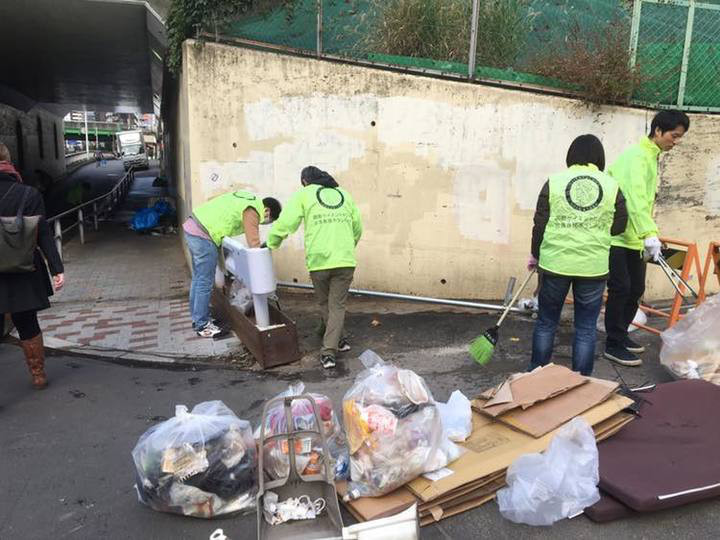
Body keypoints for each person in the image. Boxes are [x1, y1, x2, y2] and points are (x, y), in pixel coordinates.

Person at [528, 135, 627, 376]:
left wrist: (535, 253)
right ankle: (581, 382)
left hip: (555, 264)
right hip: (593, 267)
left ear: (571, 155)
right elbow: (619, 226)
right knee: (585, 327)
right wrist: (594, 228)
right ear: (599, 158)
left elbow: (540, 223)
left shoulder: (555, 181)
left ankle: (536, 376)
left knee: (546, 322)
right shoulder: (611, 185)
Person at [603, 110, 690, 367]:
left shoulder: (651, 156)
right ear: (658, 131)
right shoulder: (637, 157)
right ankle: (613, 344)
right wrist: (649, 233)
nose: (675, 142)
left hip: (634, 238)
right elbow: (635, 199)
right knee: (621, 290)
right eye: (673, 136)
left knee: (636, 289)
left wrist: (647, 233)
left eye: (679, 137)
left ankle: (621, 335)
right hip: (618, 237)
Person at [267, 166, 363, 369]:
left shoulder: (304, 194)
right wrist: (346, 248)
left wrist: (271, 242)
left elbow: (287, 222)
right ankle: (339, 338)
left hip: (319, 262)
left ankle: (329, 352)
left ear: (305, 181)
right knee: (335, 305)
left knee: (327, 305)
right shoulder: (344, 194)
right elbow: (357, 228)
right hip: (345, 260)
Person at [0, 142, 65, 389]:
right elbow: (44, 235)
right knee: (27, 322)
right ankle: (38, 374)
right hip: (23, 269)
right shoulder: (29, 194)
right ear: (9, 161)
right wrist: (56, 268)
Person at [182, 190, 281, 338]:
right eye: (269, 220)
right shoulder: (253, 210)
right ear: (267, 211)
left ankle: (198, 317)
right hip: (203, 234)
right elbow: (254, 243)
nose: (264, 222)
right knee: (204, 282)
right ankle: (202, 325)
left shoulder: (248, 198)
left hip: (194, 227)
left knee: (199, 279)